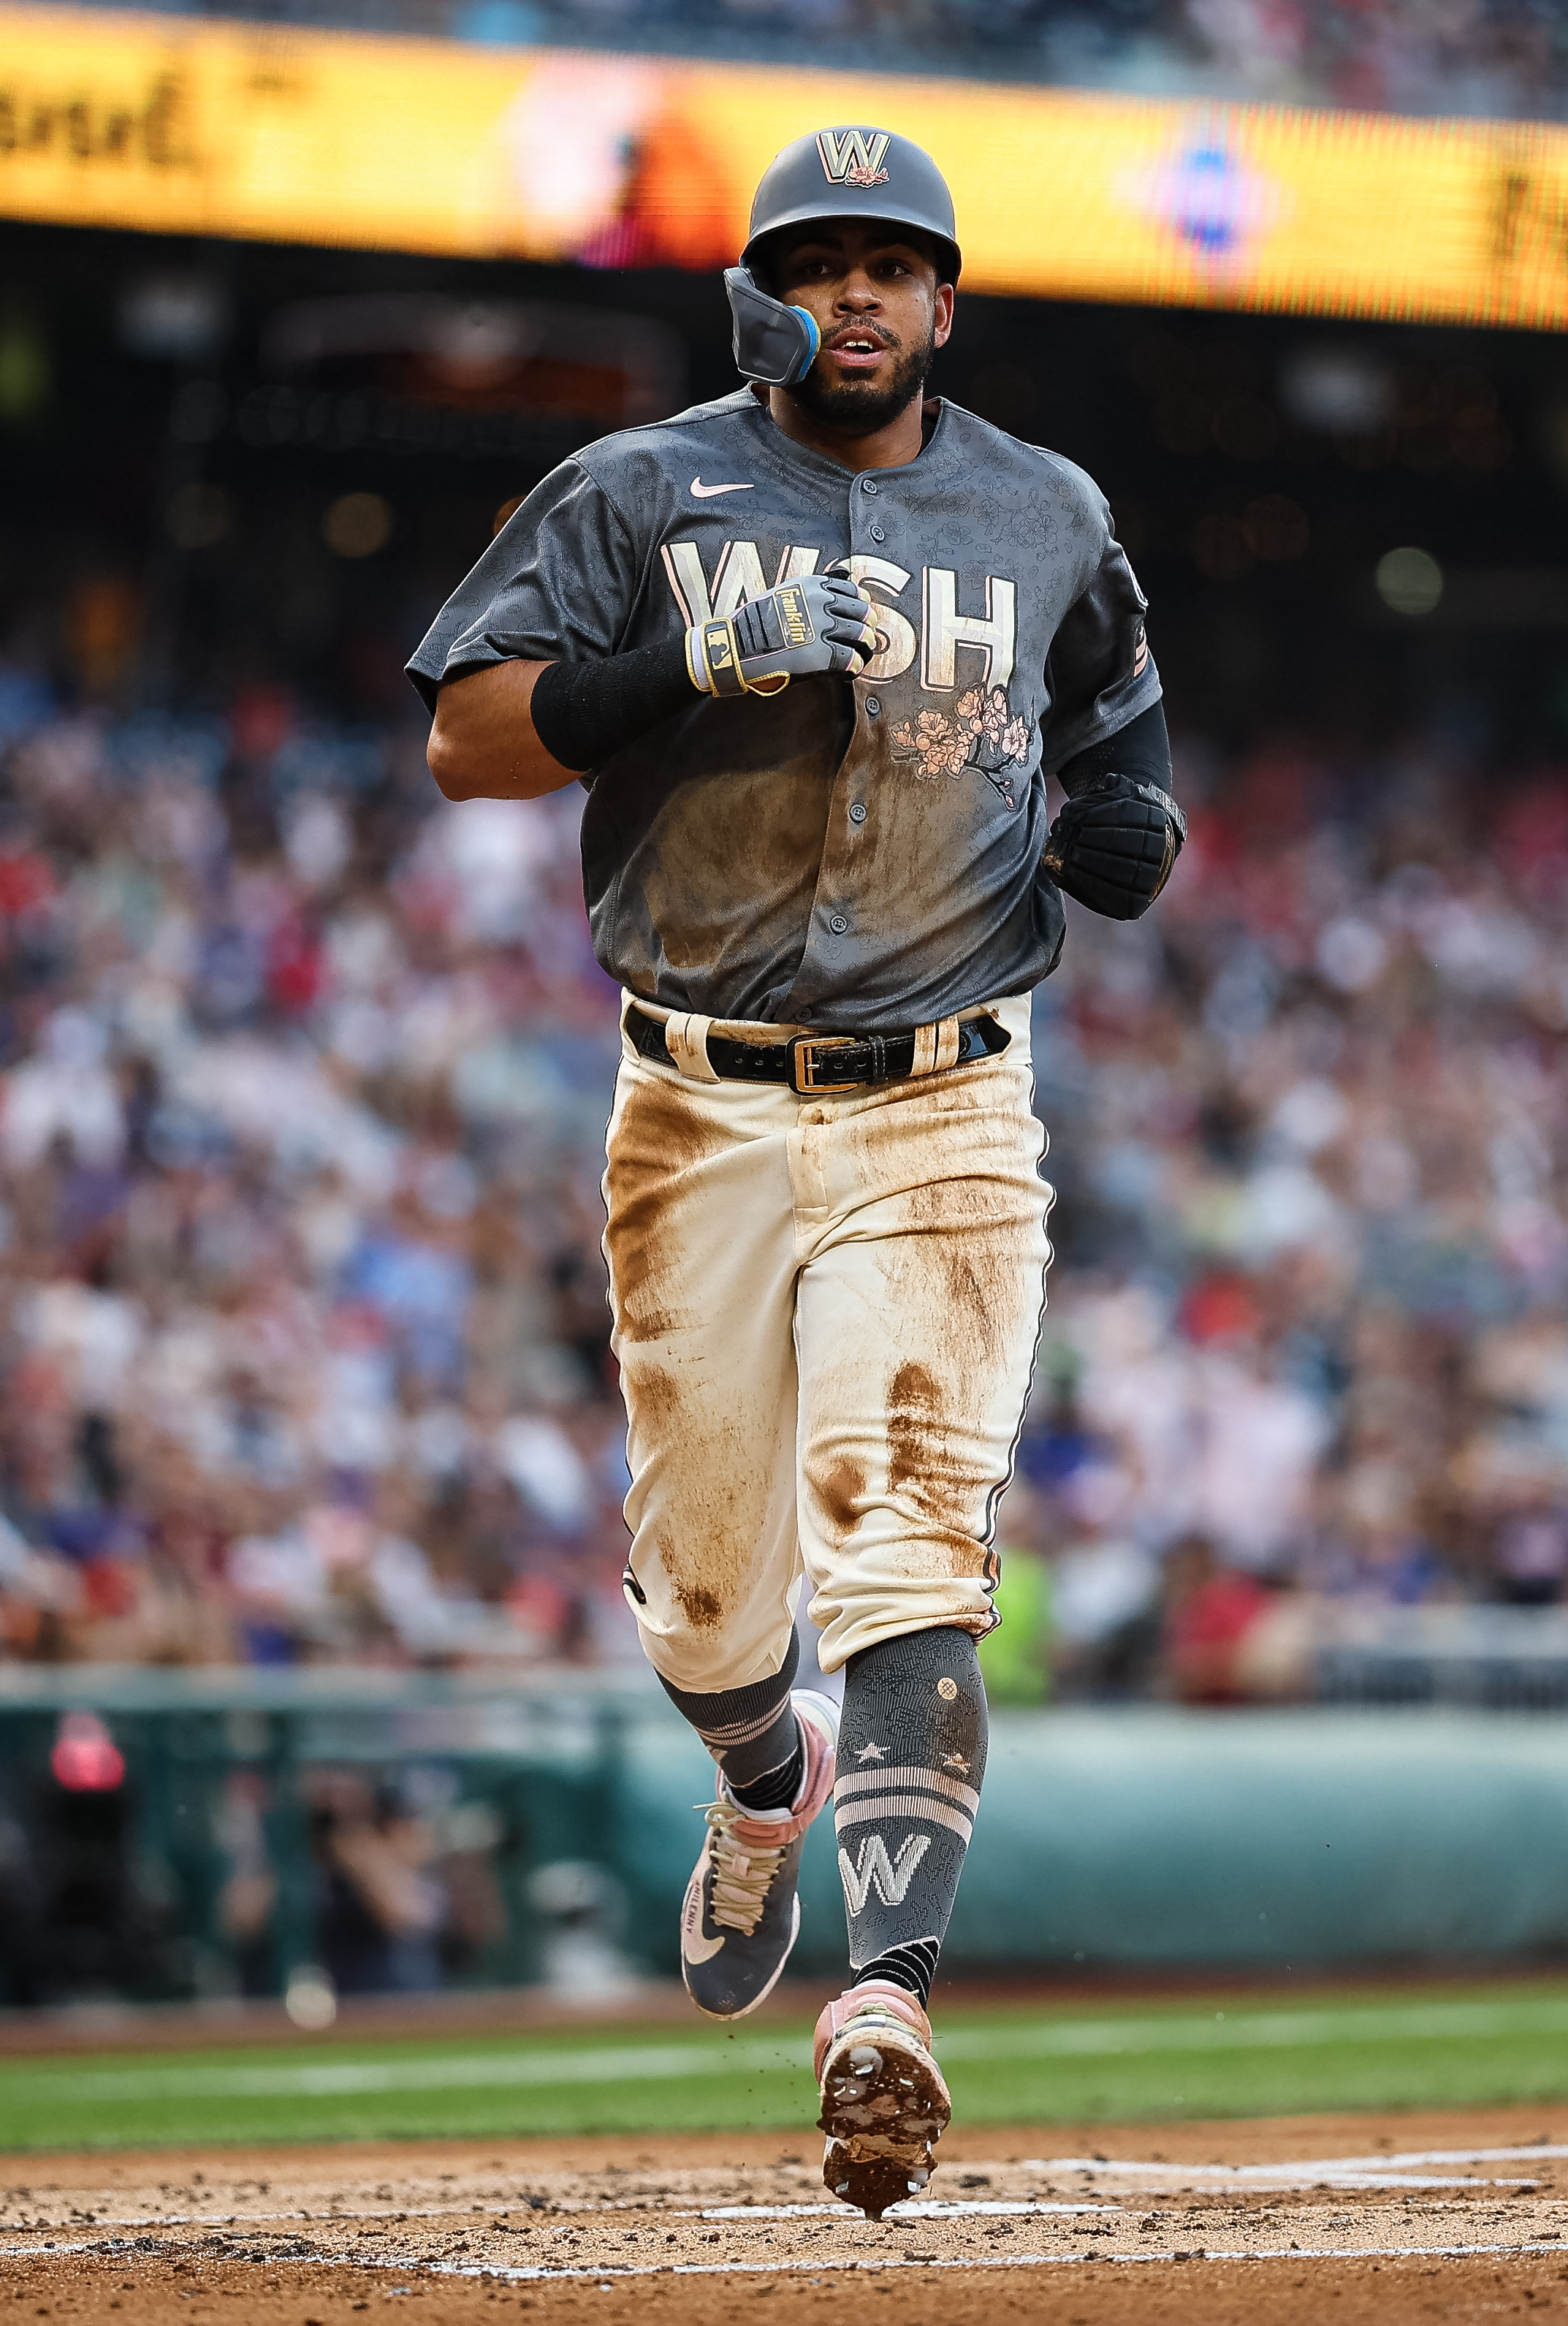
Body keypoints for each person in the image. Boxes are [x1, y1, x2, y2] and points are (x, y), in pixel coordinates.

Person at [410, 123, 1178, 2214]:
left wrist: (1133, 823)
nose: (855, 296)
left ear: (944, 299)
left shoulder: (1041, 508)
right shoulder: (640, 488)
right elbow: (465, 735)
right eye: (816, 262)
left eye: (891, 265)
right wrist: (684, 661)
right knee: (699, 1576)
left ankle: (886, 1996)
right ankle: (760, 1777)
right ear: (758, 292)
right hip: (699, 1093)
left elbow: (1120, 714)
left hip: (941, 1092)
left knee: (909, 1535)